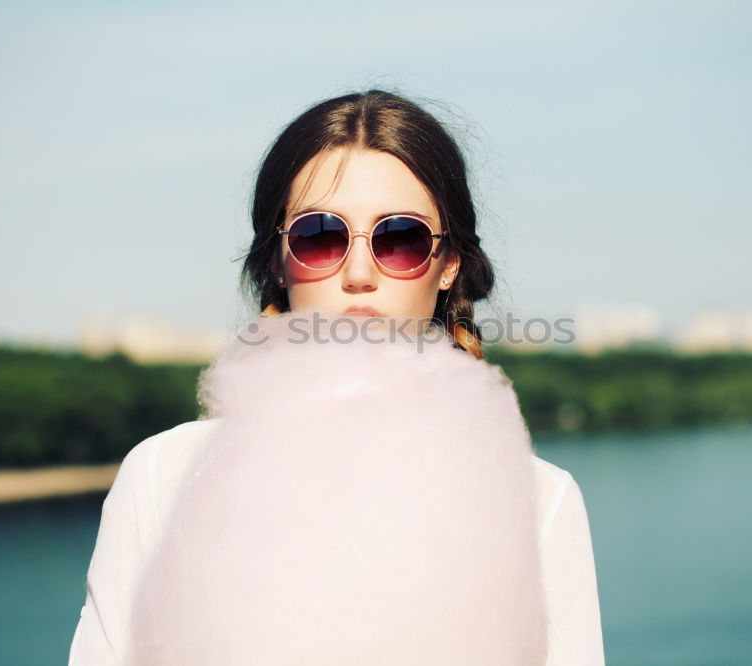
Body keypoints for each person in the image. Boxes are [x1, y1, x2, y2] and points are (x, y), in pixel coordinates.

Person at [67, 89, 605, 665]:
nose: (357, 273)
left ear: (449, 265)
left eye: (401, 239)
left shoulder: (540, 501)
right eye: (319, 234)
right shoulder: (162, 477)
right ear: (277, 260)